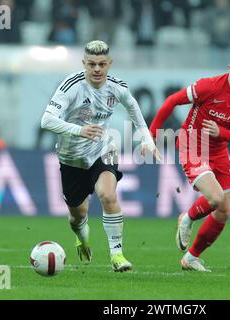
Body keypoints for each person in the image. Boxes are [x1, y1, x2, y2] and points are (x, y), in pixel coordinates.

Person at [41, 40, 160, 272]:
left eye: (102, 64)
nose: (97, 69)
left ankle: (117, 256)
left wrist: (147, 138)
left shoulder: (117, 87)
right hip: (71, 158)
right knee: (78, 216)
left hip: (103, 149)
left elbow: (134, 110)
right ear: (84, 63)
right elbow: (46, 120)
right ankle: (82, 238)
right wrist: (79, 130)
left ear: (109, 64)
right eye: (92, 64)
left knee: (107, 195)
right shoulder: (71, 86)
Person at [149, 48, 230, 272]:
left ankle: (190, 258)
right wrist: (152, 134)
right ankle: (187, 218)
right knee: (216, 198)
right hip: (192, 146)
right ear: (229, 68)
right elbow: (172, 101)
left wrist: (220, 132)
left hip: (218, 151)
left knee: (224, 211)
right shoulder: (208, 86)